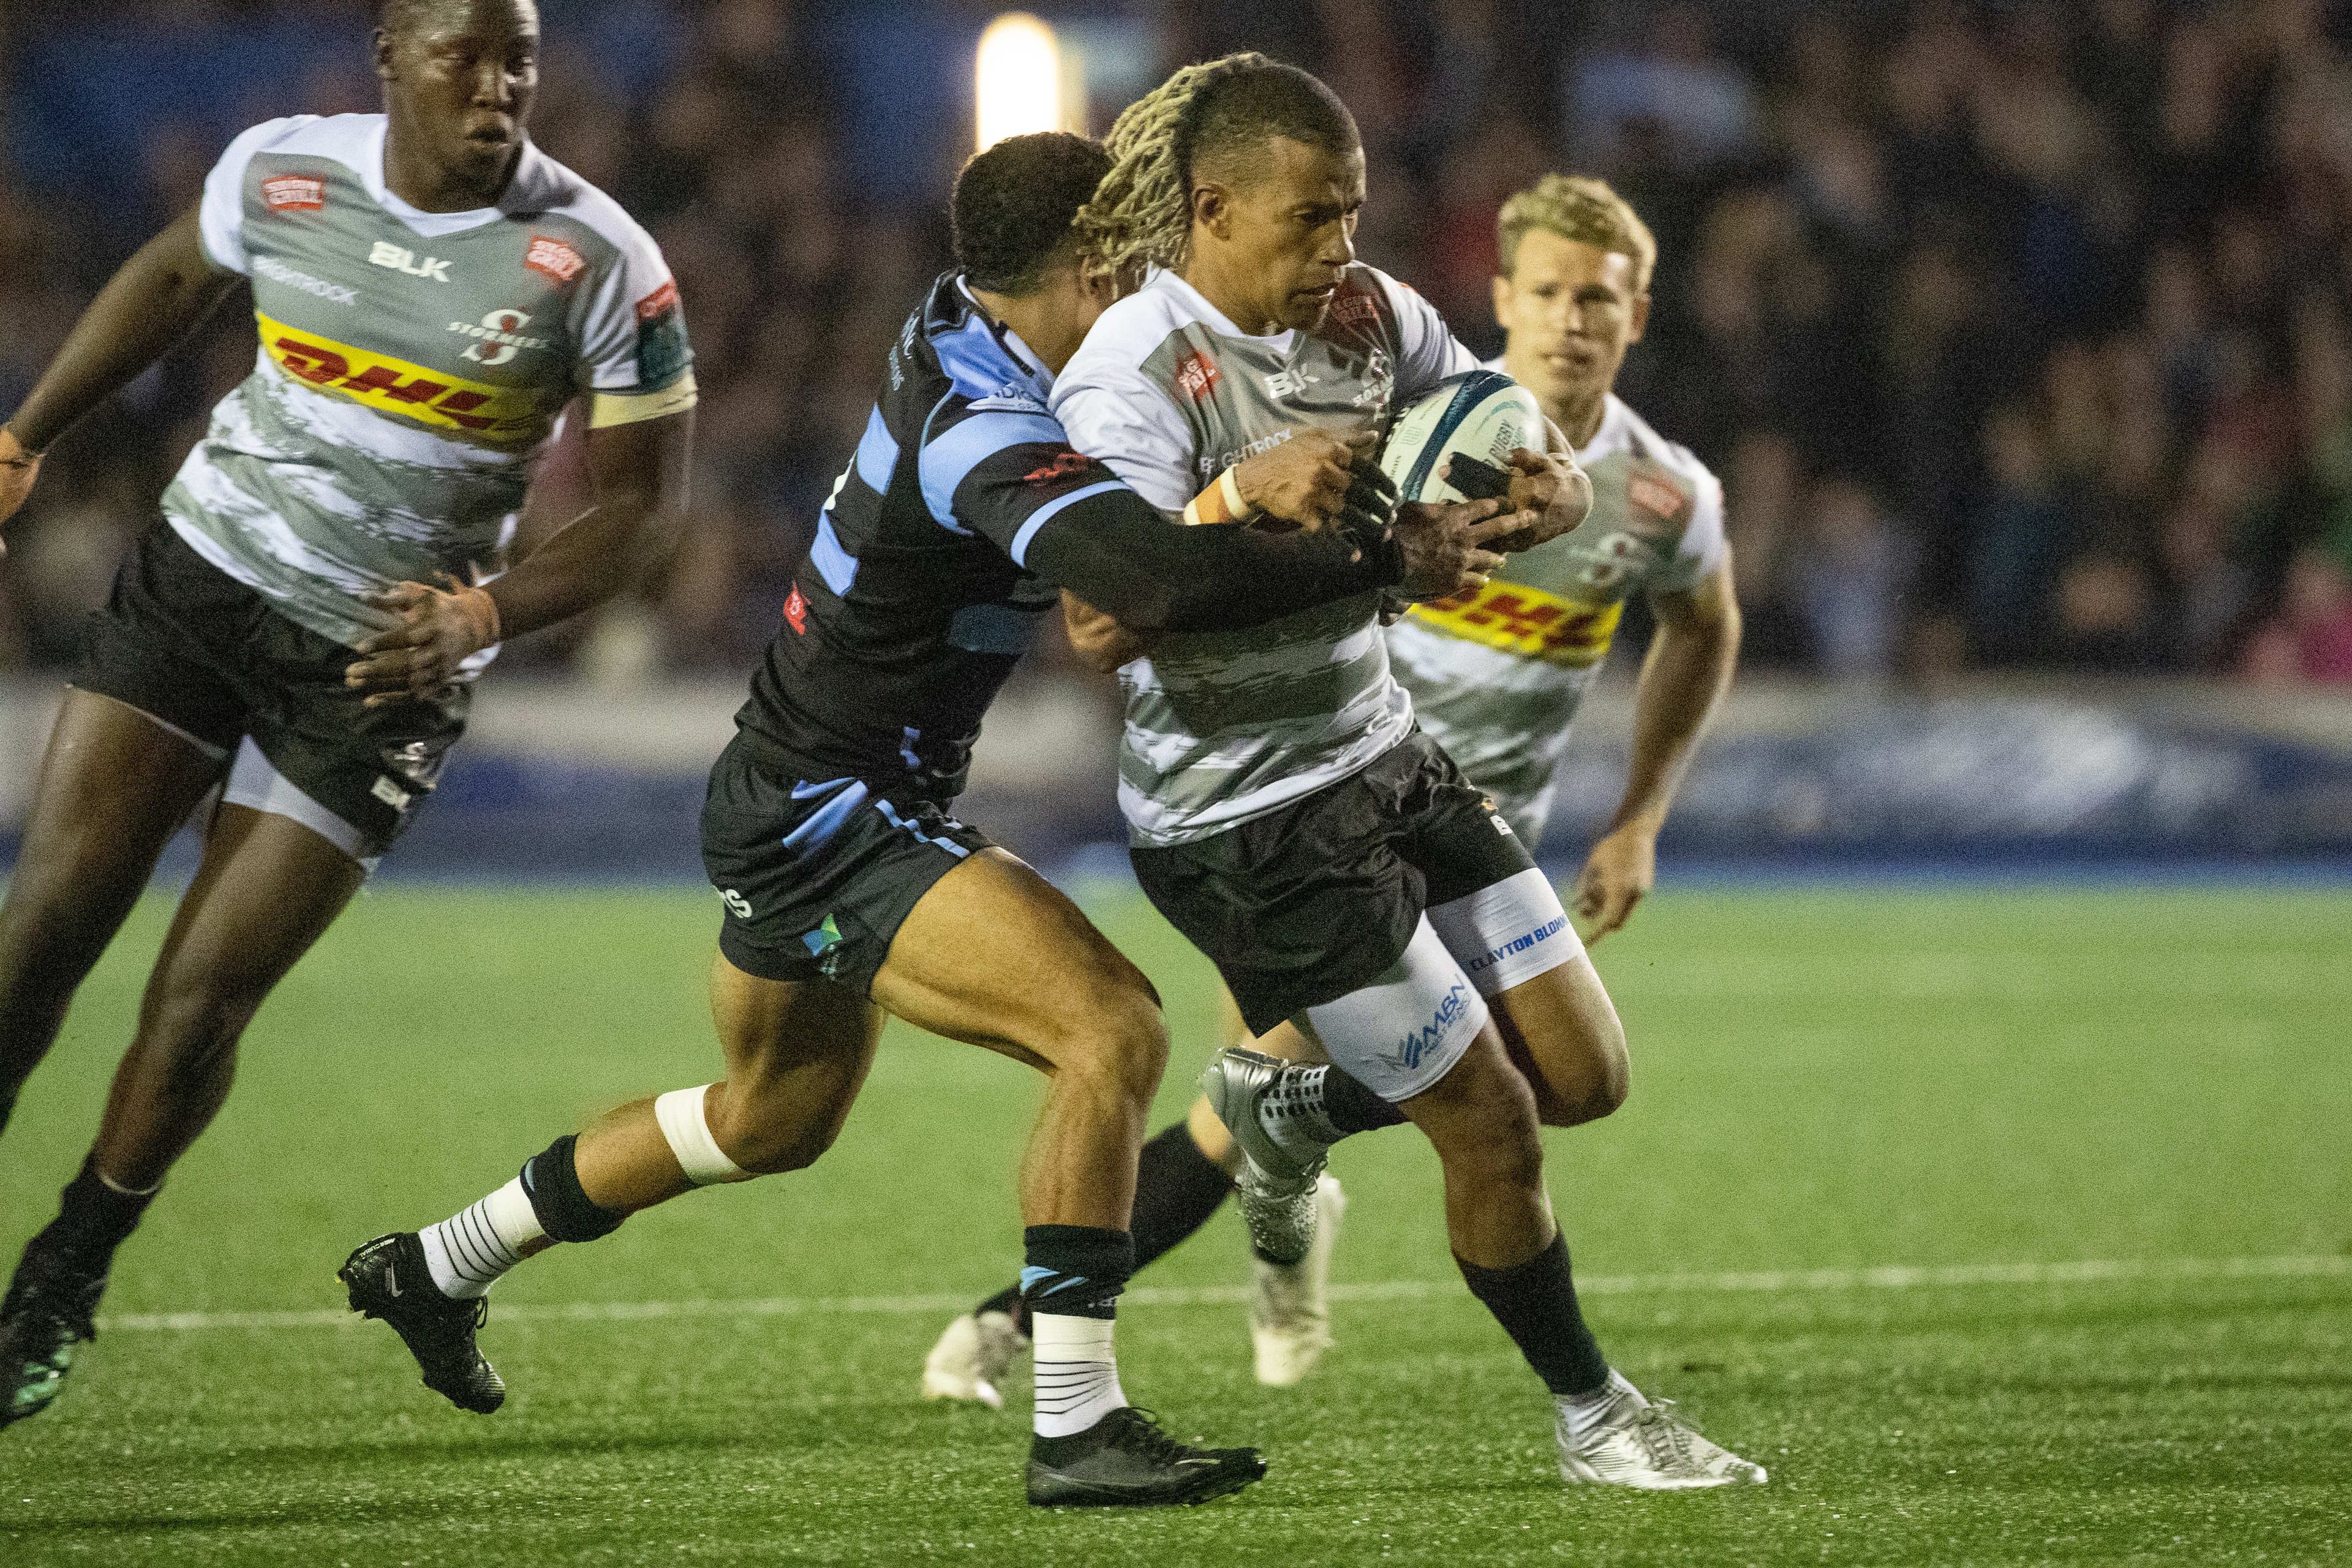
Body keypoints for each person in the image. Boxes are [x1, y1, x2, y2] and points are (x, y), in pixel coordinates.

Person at [336, 130, 1514, 1508]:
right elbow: (1141, 583)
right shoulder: (986, 425)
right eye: (1129, 257)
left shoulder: (977, 328)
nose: (1150, 279)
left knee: (770, 1116)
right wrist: (1364, 543)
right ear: (1082, 268)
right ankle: (1077, 1423)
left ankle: (432, 1263)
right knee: (1112, 1025)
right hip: (833, 805)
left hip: (792, 779)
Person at [956, 55, 1765, 1491]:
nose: (1343, 249)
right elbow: (1097, 620)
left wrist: (1546, 487)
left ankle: (1292, 1105)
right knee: (1495, 1120)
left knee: (1585, 1074)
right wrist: (1232, 493)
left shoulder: (1374, 313)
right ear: (1212, 210)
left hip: (1387, 752)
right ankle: (1595, 1416)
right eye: (1311, 218)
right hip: (1247, 818)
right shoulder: (1132, 373)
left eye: (1353, 211)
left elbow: (1501, 424)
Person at [0, 0, 698, 1430]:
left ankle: (68, 1264)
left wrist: (482, 614)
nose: (499, 86)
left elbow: (643, 512)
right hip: (205, 583)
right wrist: (27, 433)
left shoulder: (603, 261)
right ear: (392, 58)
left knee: (198, 1002)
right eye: (466, 55)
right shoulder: (285, 169)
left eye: (522, 60)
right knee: (44, 928)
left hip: (384, 668)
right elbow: (173, 278)